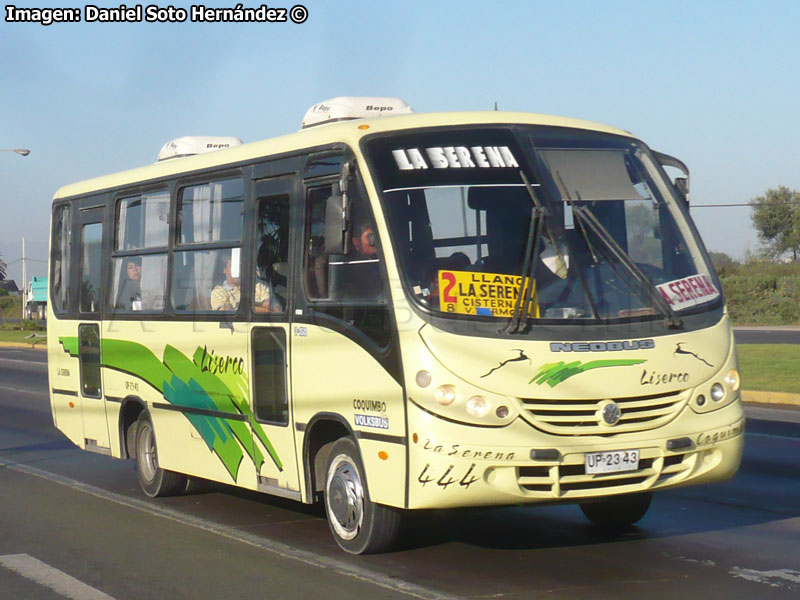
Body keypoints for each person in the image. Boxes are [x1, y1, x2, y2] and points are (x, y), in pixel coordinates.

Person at [211, 256, 276, 312]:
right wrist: (260, 308)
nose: (238, 271)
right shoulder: (219, 292)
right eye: (233, 267)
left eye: (240, 267)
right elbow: (227, 315)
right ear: (224, 270)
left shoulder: (260, 286)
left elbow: (274, 310)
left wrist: (238, 309)